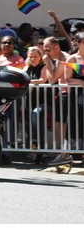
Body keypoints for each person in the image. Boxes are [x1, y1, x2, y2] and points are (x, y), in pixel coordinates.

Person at [42, 36, 71, 165]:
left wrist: (47, 63)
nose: (46, 53)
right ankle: (63, 153)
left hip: (68, 95)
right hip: (61, 95)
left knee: (62, 126)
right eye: (44, 50)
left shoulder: (64, 58)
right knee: (58, 125)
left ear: (56, 47)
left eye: (47, 49)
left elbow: (52, 79)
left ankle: (65, 154)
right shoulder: (58, 59)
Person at [23, 47, 48, 156]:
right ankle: (35, 150)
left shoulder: (43, 67)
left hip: (43, 102)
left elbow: (43, 80)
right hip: (28, 102)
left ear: (40, 57)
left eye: (35, 56)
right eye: (30, 56)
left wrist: (29, 82)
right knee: (29, 123)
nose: (32, 59)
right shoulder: (26, 68)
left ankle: (36, 145)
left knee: (35, 114)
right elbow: (21, 79)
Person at [65, 32, 84, 165]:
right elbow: (67, 79)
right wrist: (82, 83)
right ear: (78, 43)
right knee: (77, 122)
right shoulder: (72, 59)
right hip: (77, 97)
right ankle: (75, 153)